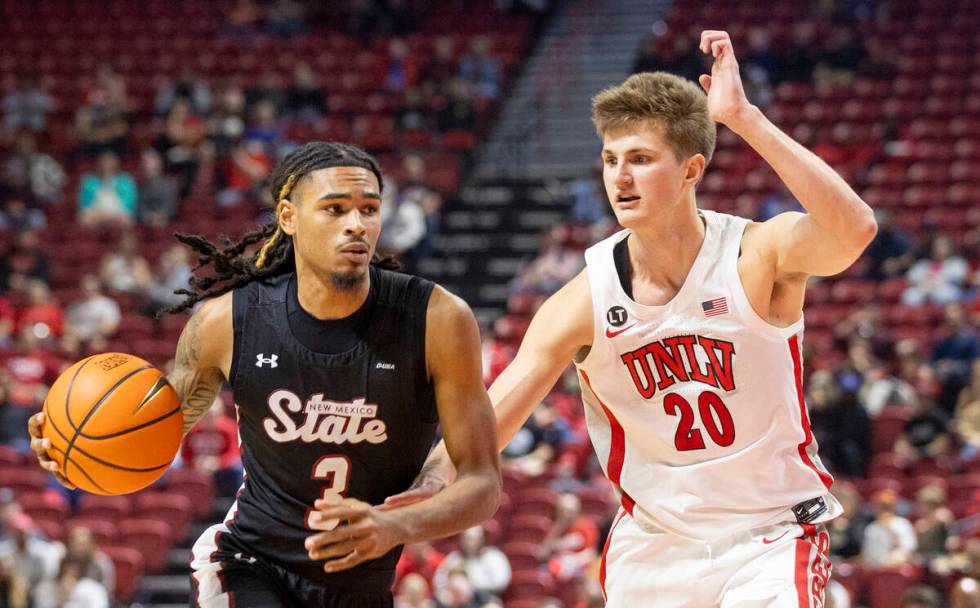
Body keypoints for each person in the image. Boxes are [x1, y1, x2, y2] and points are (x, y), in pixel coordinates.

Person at [389, 31, 878, 606]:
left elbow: (854, 231)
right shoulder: (584, 298)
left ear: (692, 170)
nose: (619, 177)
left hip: (768, 533)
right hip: (654, 545)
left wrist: (744, 119)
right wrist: (432, 476)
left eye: (641, 160)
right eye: (610, 159)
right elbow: (499, 408)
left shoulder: (755, 255)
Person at [28, 141, 502, 607]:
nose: (357, 225)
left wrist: (401, 526)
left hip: (362, 582)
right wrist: (82, 458)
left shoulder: (438, 320)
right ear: (288, 217)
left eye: (369, 209)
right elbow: (152, 431)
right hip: (250, 561)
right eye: (334, 209)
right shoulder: (225, 322)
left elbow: (482, 483)